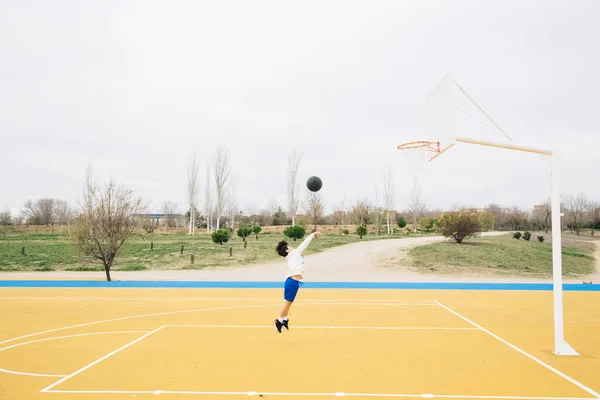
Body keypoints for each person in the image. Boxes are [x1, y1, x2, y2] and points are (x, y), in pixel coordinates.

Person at [273, 231, 321, 333]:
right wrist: (312, 235)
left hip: (292, 282)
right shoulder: (294, 253)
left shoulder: (291, 256)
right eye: (289, 246)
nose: (291, 247)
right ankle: (278, 321)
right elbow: (304, 244)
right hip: (292, 282)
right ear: (287, 249)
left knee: (289, 304)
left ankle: (284, 319)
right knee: (287, 304)